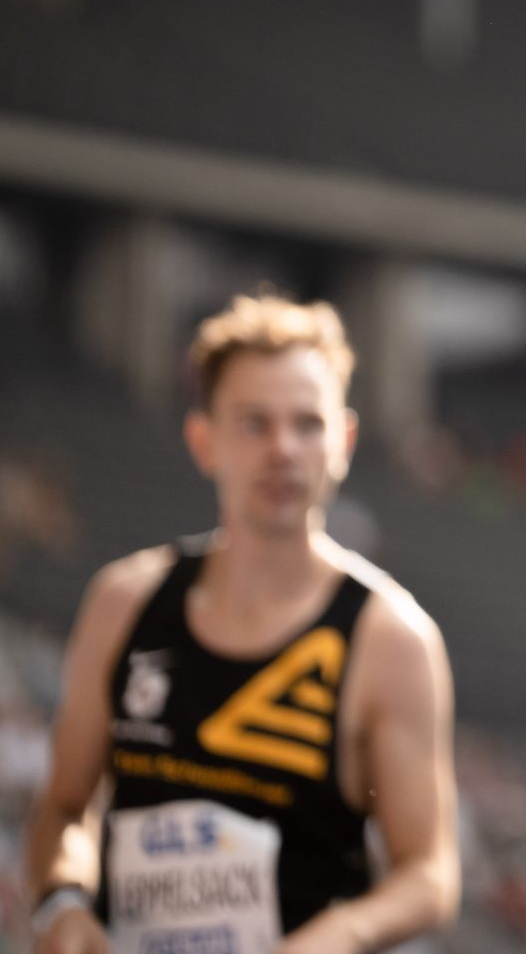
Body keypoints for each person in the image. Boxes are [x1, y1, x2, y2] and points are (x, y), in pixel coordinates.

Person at [24, 293, 459, 953]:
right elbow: (63, 808)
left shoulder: (390, 639)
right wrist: (63, 905)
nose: (283, 449)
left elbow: (430, 870)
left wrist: (340, 934)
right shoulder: (125, 603)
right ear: (205, 440)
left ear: (343, 440)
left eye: (306, 424)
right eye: (255, 423)